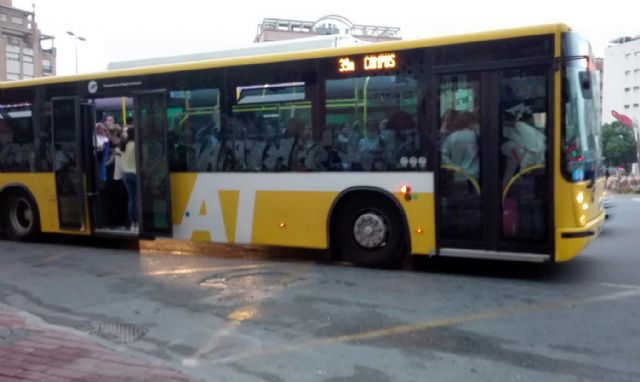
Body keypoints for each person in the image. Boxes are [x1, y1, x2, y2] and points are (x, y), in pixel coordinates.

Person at [441, 110, 480, 181]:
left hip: (458, 175)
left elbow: (444, 155)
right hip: (474, 175)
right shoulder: (475, 136)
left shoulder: (452, 137)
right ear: (471, 123)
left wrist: (453, 166)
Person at [120, 128, 138, 231]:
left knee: (131, 199)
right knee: (138, 199)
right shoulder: (136, 145)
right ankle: (140, 223)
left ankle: (133, 224)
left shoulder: (122, 145)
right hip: (135, 173)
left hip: (125, 174)